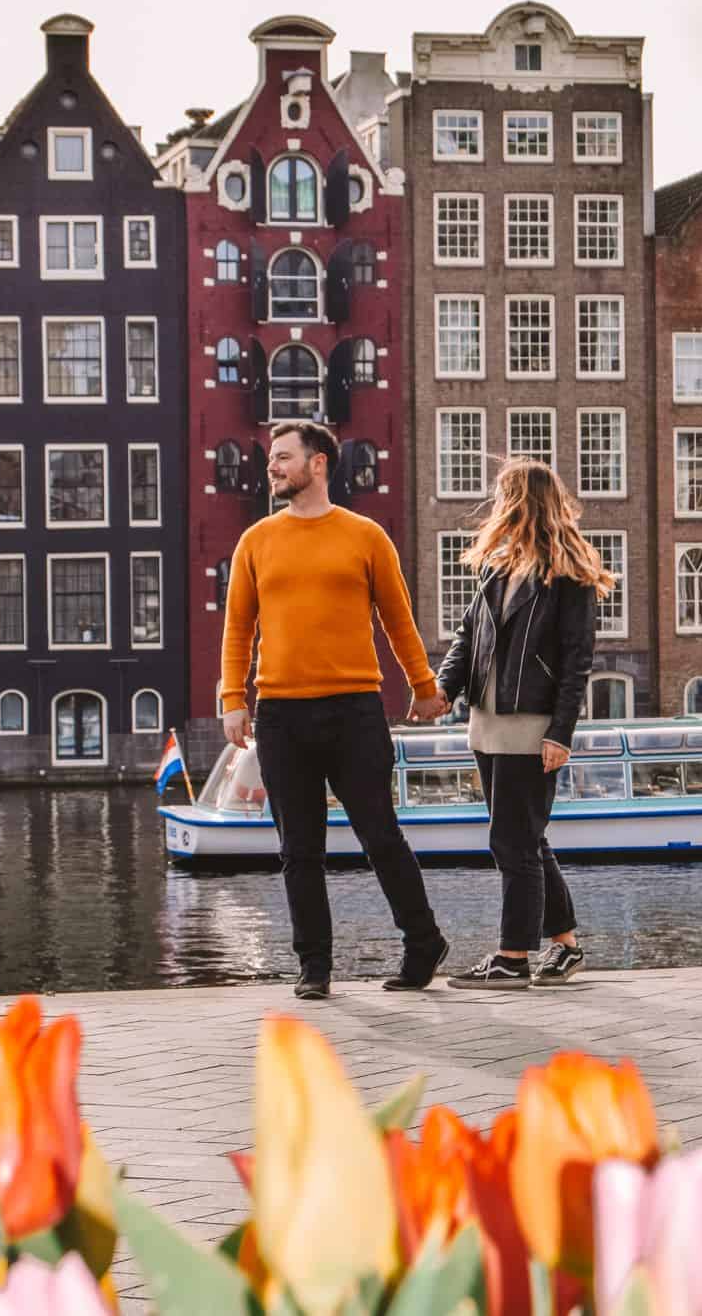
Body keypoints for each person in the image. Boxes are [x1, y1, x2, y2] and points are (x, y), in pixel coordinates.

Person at [219, 421, 450, 999]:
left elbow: (398, 619)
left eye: (282, 457)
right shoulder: (256, 541)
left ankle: (424, 943)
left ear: (318, 463)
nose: (271, 466)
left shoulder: (366, 536)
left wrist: (423, 686)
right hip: (280, 715)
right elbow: (237, 629)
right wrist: (232, 698)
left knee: (380, 835)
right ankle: (314, 967)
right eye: (271, 458)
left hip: (354, 711)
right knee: (299, 850)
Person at [435, 459, 614, 990]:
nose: (495, 505)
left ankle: (512, 957)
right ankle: (567, 949)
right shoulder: (496, 565)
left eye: (502, 495)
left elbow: (578, 659)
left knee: (511, 843)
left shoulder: (570, 573)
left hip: (531, 725)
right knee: (528, 841)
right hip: (487, 722)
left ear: (521, 500)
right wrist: (444, 688)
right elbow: (467, 638)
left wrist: (561, 733)